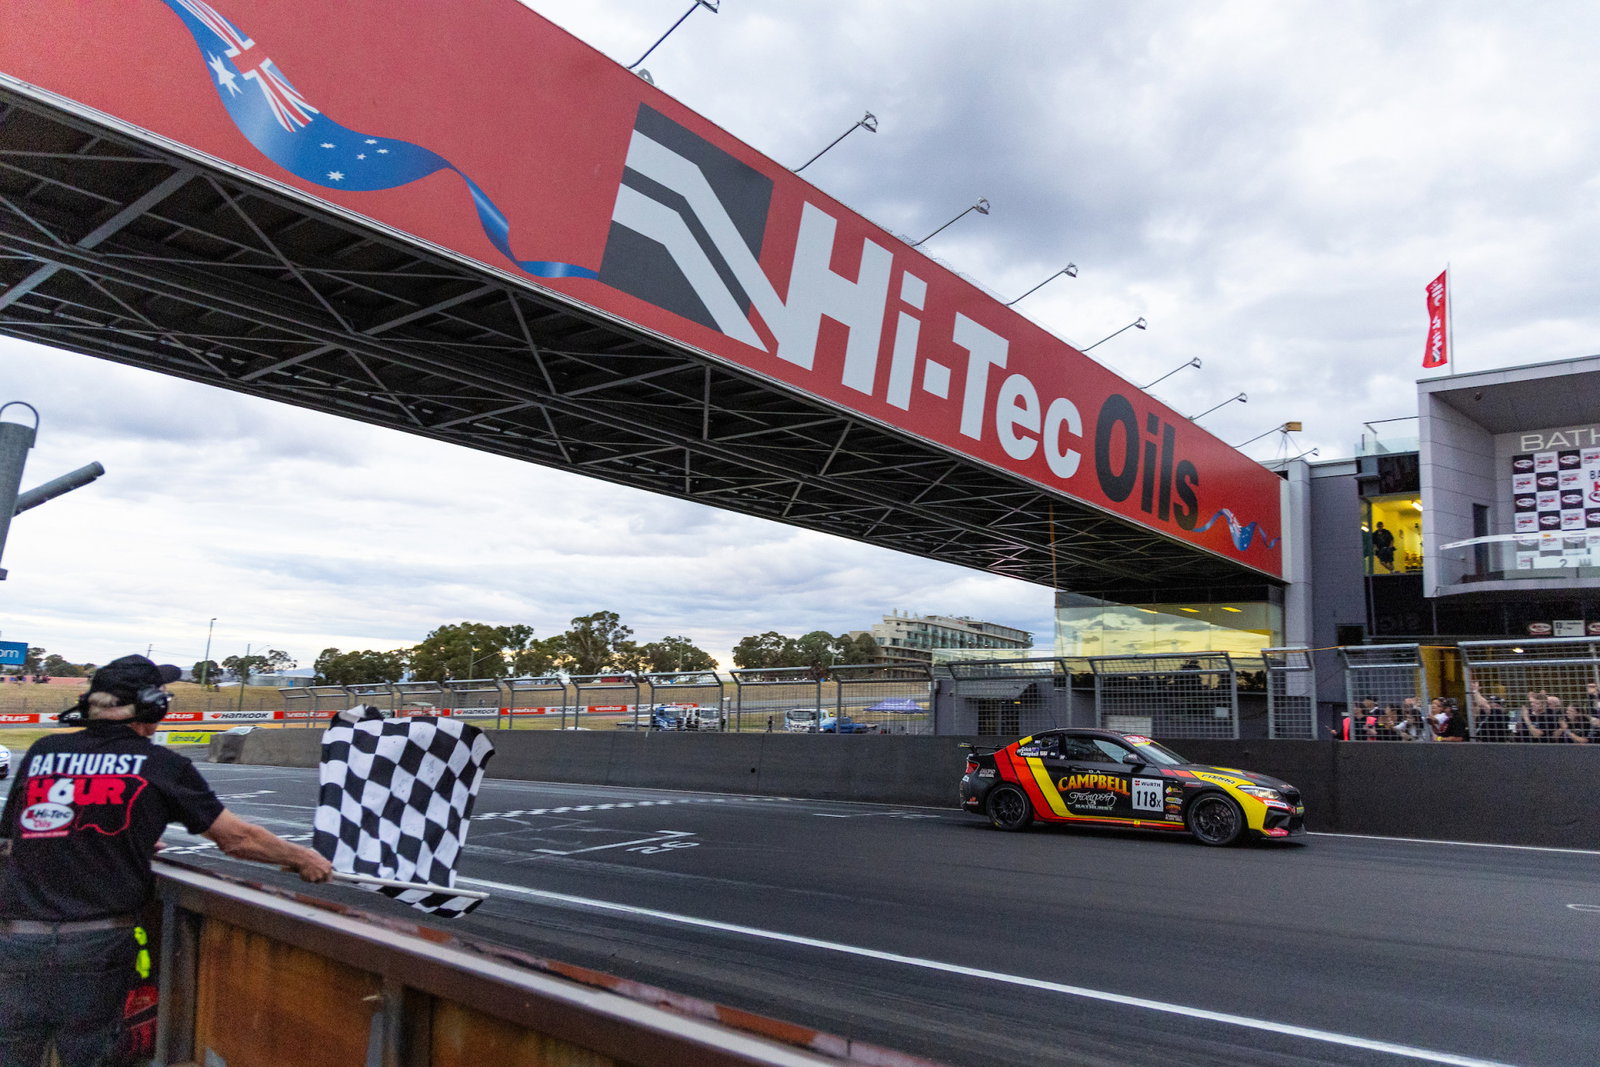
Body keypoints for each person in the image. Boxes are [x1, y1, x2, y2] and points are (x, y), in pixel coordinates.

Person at [0, 654, 333, 1067]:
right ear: (153, 705)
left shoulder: (43, 751)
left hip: (16, 941)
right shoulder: (161, 764)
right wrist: (302, 857)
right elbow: (237, 839)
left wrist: (124, 840)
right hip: (97, 945)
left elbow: (17, 837)